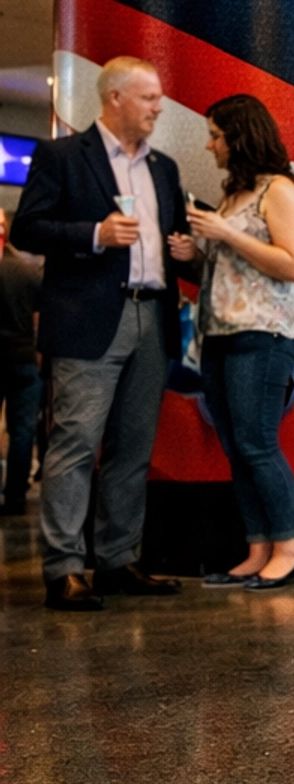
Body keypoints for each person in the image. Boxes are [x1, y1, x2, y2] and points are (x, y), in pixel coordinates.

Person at [10, 56, 195, 608]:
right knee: (74, 444)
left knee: (133, 448)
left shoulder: (163, 167)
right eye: (149, 97)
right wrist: (95, 234)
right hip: (88, 320)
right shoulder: (63, 156)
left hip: (152, 318)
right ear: (115, 98)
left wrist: (184, 250)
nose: (159, 107)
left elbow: (172, 236)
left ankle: (118, 560)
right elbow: (27, 229)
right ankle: (65, 569)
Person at [187, 94, 294, 589]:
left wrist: (225, 232)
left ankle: (289, 548)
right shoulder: (233, 194)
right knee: (237, 446)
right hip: (219, 334)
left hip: (264, 333)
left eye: (216, 135)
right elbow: (236, 268)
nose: (210, 145)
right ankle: (258, 547)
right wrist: (195, 253)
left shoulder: (278, 189)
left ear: (239, 137)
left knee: (257, 443)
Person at [1, 215, 43, 515]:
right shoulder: (28, 273)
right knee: (23, 431)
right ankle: (16, 497)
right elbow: (39, 321)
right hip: (24, 359)